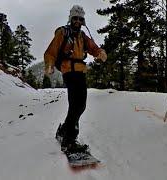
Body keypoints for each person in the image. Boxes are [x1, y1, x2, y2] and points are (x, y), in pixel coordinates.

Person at [44, 5, 107, 153]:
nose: (78, 21)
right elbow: (51, 52)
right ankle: (69, 141)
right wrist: (49, 65)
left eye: (80, 18)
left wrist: (100, 53)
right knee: (75, 106)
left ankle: (63, 131)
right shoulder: (62, 33)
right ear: (71, 18)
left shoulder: (82, 36)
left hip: (80, 72)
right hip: (69, 71)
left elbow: (93, 48)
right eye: (75, 18)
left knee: (81, 106)